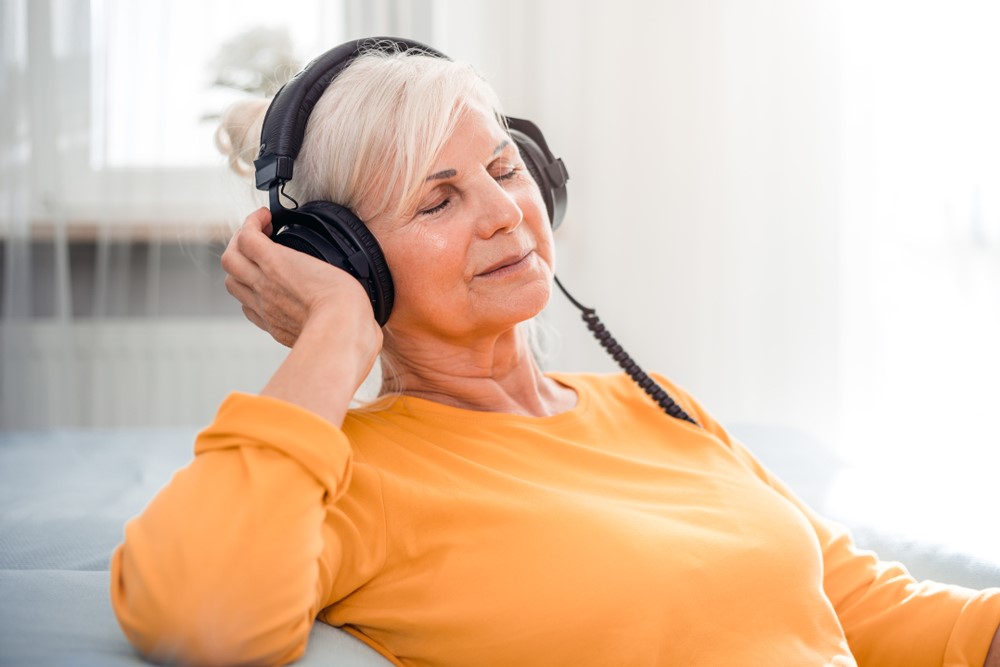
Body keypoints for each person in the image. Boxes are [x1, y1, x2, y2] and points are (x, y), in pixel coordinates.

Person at [110, 38, 1000, 667]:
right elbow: (200, 614)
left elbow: (861, 606)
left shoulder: (656, 404)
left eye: (503, 169)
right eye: (437, 201)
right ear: (346, 257)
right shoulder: (352, 475)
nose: (503, 214)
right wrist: (334, 334)